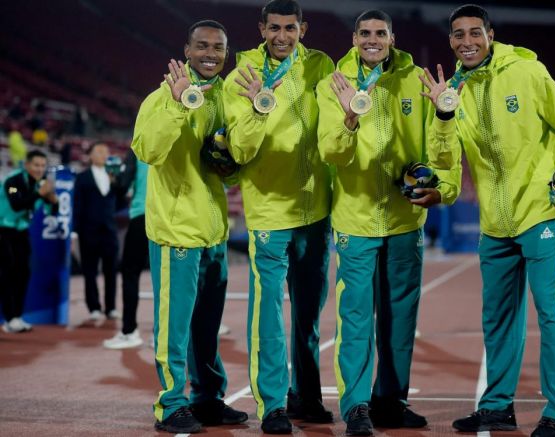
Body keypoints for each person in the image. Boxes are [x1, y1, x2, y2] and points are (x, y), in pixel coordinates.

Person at [445, 5, 555, 437]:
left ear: (491, 34)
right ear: (451, 42)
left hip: (540, 215)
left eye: (474, 33)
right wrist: (443, 117)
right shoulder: (452, 90)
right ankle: (497, 406)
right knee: (496, 319)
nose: (467, 42)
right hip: (494, 225)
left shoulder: (528, 74)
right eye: (458, 35)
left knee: (553, 313)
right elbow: (444, 159)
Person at [316, 10, 462, 436]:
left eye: (381, 33)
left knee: (400, 319)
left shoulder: (414, 79)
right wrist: (348, 119)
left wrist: (442, 116)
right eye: (365, 33)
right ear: (355, 37)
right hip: (355, 221)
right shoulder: (335, 83)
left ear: (392, 37)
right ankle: (357, 406)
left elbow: (438, 154)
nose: (373, 40)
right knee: (356, 318)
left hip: (404, 220)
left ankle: (391, 401)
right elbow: (332, 153)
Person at [222, 0, 335, 432]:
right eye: (274, 28)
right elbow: (240, 150)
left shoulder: (321, 66)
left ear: (302, 29)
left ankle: (306, 396)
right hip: (270, 211)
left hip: (316, 211)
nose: (282, 36)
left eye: (290, 27)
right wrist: (256, 110)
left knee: (308, 315)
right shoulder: (243, 77)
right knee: (268, 314)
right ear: (261, 29)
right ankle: (272, 405)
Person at [131, 20, 247, 433]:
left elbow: (228, 173)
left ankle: (208, 399)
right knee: (174, 329)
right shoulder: (160, 99)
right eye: (202, 46)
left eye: (218, 47)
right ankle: (171, 404)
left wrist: (232, 161)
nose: (210, 53)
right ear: (186, 49)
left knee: (206, 329)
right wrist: (180, 104)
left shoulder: (225, 100)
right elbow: (148, 149)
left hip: (213, 232)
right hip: (175, 232)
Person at [0, 150, 57, 333]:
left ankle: (16, 317)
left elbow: (52, 211)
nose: (40, 169)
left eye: (43, 165)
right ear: (27, 165)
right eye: (36, 165)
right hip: (3, 229)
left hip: (21, 231)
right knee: (7, 272)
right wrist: (41, 193)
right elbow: (17, 204)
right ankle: (9, 318)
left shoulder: (42, 184)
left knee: (23, 273)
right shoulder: (12, 182)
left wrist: (53, 200)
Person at [73, 142, 127, 322]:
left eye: (106, 151)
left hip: (110, 230)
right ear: (90, 156)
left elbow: (121, 202)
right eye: (99, 151)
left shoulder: (115, 176)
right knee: (90, 270)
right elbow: (77, 204)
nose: (104, 154)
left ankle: (110, 307)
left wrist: (116, 183)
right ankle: (94, 307)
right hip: (88, 230)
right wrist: (76, 229)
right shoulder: (82, 177)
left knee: (111, 270)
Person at [103, 150, 147, 349]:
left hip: (143, 214)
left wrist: (113, 177)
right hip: (173, 217)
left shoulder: (139, 147)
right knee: (169, 278)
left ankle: (129, 331)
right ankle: (167, 335)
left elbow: (121, 186)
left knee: (130, 272)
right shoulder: (179, 139)